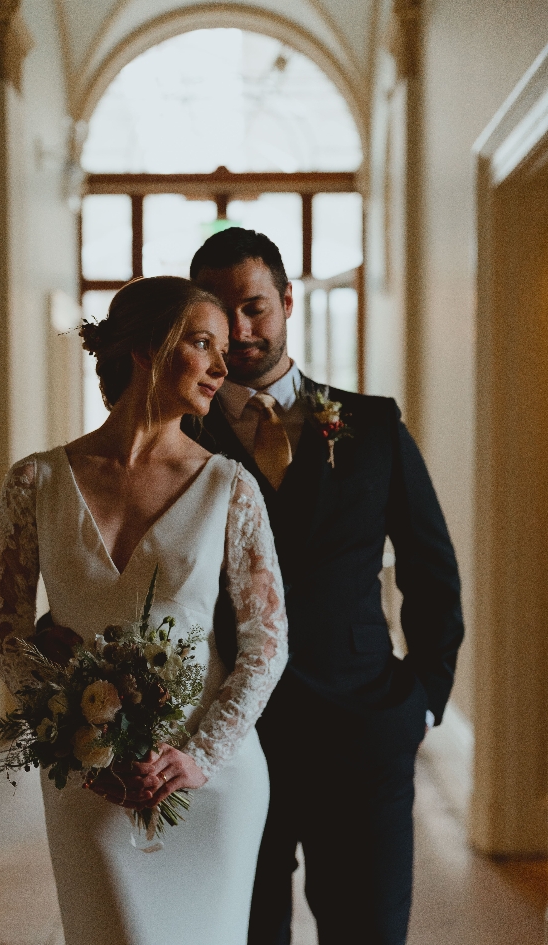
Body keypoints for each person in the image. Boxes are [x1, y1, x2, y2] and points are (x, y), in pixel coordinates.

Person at [0, 276, 288, 945]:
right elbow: (7, 631)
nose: (220, 364)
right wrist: (77, 736)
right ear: (149, 348)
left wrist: (201, 756)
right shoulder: (34, 482)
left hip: (210, 782)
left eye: (223, 349)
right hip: (88, 779)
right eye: (202, 343)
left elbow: (269, 642)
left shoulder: (230, 488)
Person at [187, 228, 465, 945]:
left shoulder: (372, 425)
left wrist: (422, 703)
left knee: (368, 931)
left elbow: (431, 570)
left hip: (363, 730)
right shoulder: (177, 441)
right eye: (222, 317)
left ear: (285, 301)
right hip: (230, 740)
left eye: (255, 308)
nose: (241, 332)